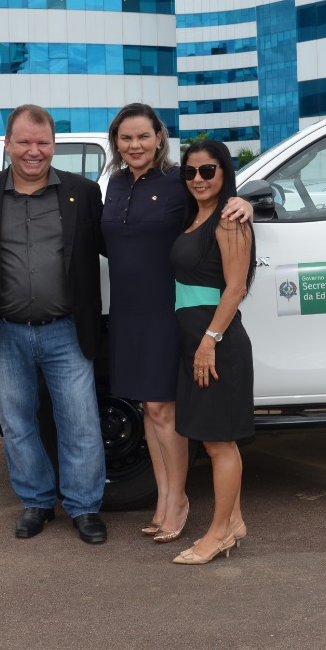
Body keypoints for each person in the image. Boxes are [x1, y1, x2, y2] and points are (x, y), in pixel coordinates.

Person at [101, 104, 252, 546]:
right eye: (126, 138)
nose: (135, 146)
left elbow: (215, 204)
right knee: (150, 409)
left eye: (143, 137)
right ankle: (165, 498)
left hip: (168, 309)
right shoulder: (112, 184)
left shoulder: (177, 181)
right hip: (128, 311)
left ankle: (178, 500)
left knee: (165, 410)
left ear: (159, 138)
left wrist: (243, 203)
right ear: (116, 142)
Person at [0, 105, 109, 544]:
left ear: (54, 145)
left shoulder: (82, 192)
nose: (34, 151)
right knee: (18, 422)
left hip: (66, 328)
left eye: (42, 142)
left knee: (80, 422)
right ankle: (37, 502)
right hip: (4, 330)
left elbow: (120, 236)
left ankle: (84, 507)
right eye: (24, 142)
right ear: (7, 144)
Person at [169, 139, 255, 565]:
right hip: (197, 343)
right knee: (211, 440)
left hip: (216, 345)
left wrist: (209, 341)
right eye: (190, 172)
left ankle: (219, 533)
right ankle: (234, 521)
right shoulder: (195, 216)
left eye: (208, 171)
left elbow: (236, 287)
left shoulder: (228, 220)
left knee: (221, 445)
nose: (198, 179)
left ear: (224, 172)